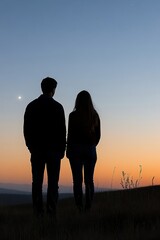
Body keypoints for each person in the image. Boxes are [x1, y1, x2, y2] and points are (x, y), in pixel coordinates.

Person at [23, 77, 66, 217]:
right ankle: (51, 212)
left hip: (37, 151)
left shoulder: (31, 106)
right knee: (53, 183)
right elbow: (62, 131)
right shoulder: (58, 107)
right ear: (53, 89)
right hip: (54, 151)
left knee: (37, 182)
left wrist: (30, 146)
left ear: (42, 88)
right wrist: (61, 150)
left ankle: (38, 212)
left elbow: (26, 130)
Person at [66, 90, 101, 211]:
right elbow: (98, 136)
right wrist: (91, 145)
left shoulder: (73, 115)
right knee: (89, 180)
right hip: (90, 150)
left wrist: (68, 150)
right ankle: (88, 207)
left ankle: (79, 207)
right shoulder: (94, 115)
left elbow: (70, 135)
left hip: (75, 149)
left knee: (77, 181)